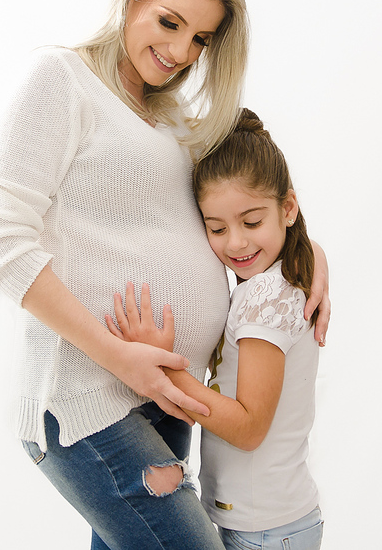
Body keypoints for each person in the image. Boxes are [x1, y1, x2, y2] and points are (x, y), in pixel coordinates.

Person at [0, 0, 330, 550]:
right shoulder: (61, 81)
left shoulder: (170, 116)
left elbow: (250, 192)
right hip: (87, 396)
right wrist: (121, 357)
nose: (181, 53)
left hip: (163, 398)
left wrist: (310, 254)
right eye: (169, 22)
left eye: (200, 39)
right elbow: (1, 245)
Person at [108, 108, 325, 550]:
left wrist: (166, 369)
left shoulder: (266, 299)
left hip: (266, 531)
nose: (237, 243)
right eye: (217, 228)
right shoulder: (273, 281)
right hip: (266, 522)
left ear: (287, 208)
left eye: (251, 222)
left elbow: (249, 428)